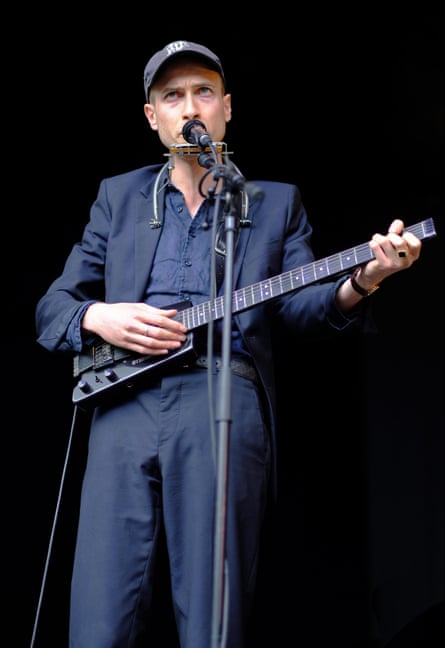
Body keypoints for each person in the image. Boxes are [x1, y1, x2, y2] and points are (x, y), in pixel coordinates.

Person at [35, 39, 422, 648]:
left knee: (214, 618)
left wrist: (364, 279)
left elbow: (301, 308)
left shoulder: (273, 202)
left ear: (227, 108)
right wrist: (99, 317)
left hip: (222, 399)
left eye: (203, 92)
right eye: (173, 95)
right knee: (98, 615)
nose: (190, 105)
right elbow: (52, 308)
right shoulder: (118, 196)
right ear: (152, 117)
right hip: (122, 406)